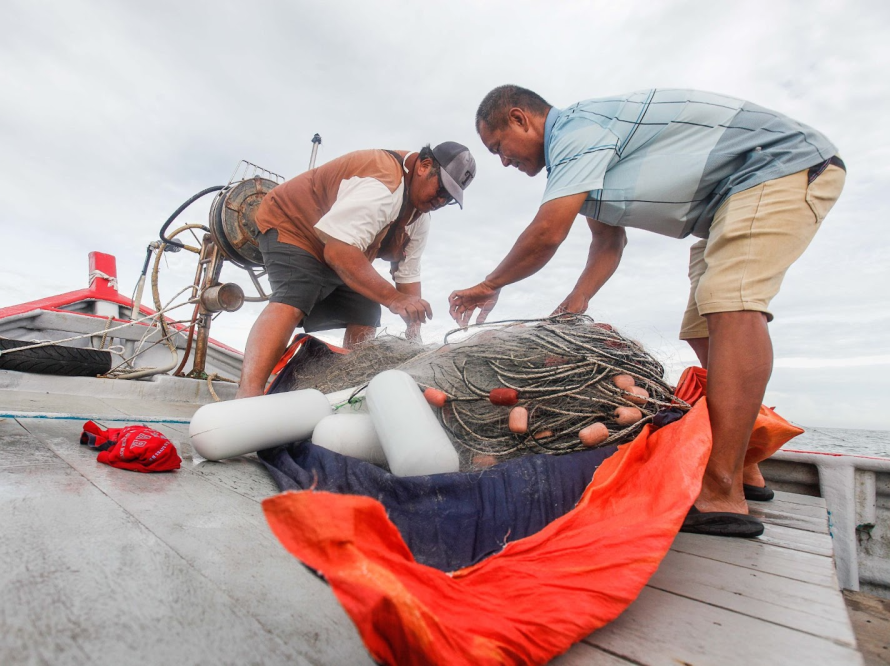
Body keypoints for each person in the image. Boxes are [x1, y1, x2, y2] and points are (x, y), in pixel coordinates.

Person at [449, 86, 845, 537]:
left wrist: (489, 284)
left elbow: (546, 233)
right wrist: (574, 304)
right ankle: (747, 463)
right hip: (728, 205)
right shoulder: (582, 161)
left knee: (731, 304)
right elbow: (607, 242)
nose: (503, 161)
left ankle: (721, 493)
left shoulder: (578, 132)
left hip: (779, 168)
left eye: (499, 147)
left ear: (521, 119)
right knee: (702, 329)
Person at [236, 142, 477, 399]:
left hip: (340, 248)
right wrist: (395, 299)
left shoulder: (420, 217)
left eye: (449, 198)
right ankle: (248, 395)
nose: (441, 200)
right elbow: (338, 252)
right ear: (424, 166)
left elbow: (408, 275)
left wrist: (413, 336)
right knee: (296, 293)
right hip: (295, 226)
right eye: (441, 189)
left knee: (367, 310)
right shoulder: (383, 185)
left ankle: (347, 390)